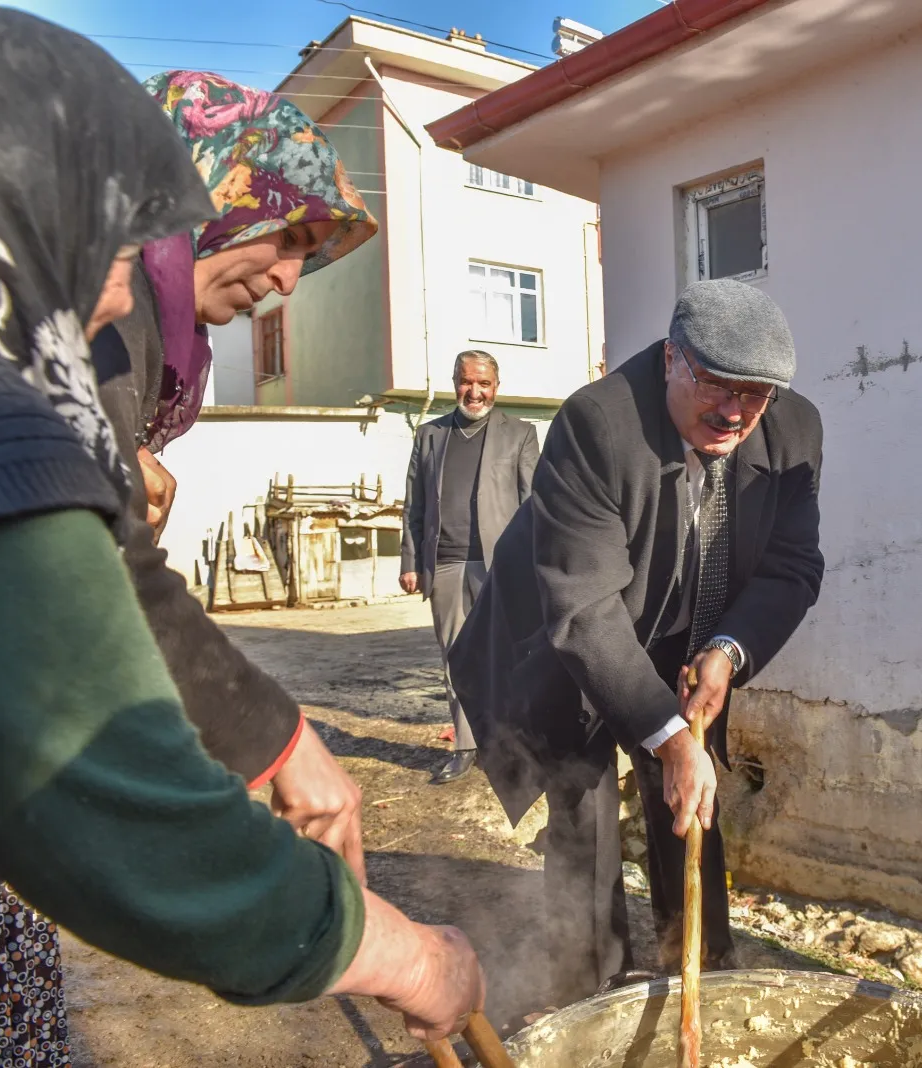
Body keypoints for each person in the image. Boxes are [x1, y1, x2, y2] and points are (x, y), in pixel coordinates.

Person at [0, 11, 481, 1064]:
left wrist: (280, 737)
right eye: (121, 228)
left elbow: (118, 578)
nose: (129, 282)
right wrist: (402, 955)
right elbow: (108, 808)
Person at [453, 279, 824, 1006]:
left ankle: (701, 974)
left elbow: (790, 566)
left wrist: (727, 652)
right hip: (567, 638)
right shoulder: (597, 424)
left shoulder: (792, 432)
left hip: (683, 637)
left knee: (691, 799)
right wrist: (669, 737)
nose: (736, 412)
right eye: (718, 385)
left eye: (757, 394)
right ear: (670, 360)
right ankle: (589, 988)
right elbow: (586, 607)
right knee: (583, 800)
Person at [85, 69, 381, 867]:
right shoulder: (109, 314)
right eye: (287, 239)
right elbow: (98, 565)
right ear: (211, 192)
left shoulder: (136, 325)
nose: (288, 280)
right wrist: (278, 742)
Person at [400, 350, 540, 784]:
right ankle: (465, 746)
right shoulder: (430, 435)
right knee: (455, 659)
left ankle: (510, 746)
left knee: (509, 657)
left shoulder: (520, 434)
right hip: (444, 564)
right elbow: (413, 506)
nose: (474, 391)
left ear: (496, 386)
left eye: (484, 383)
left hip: (503, 565)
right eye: (466, 381)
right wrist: (410, 562)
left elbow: (535, 505)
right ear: (455, 381)